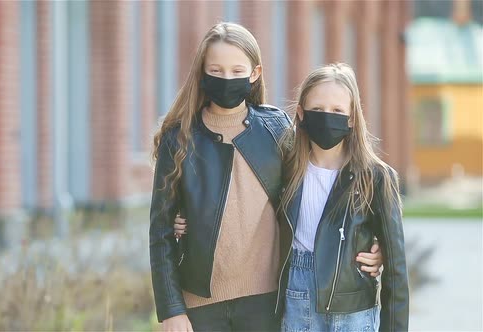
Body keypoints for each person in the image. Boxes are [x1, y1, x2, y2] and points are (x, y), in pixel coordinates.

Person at [150, 22, 382, 332]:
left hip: (266, 302)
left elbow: (321, 184)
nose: (227, 79)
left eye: (237, 70)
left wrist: (370, 242)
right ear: (202, 73)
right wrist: (171, 309)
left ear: (255, 73)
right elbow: (160, 232)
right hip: (198, 307)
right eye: (216, 71)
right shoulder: (179, 139)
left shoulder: (277, 129)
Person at [276, 63, 409, 332]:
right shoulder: (284, 168)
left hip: (354, 310)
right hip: (296, 300)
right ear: (301, 114)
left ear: (351, 118)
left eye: (337, 111)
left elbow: (397, 270)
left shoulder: (376, 177)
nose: (327, 117)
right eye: (317, 110)